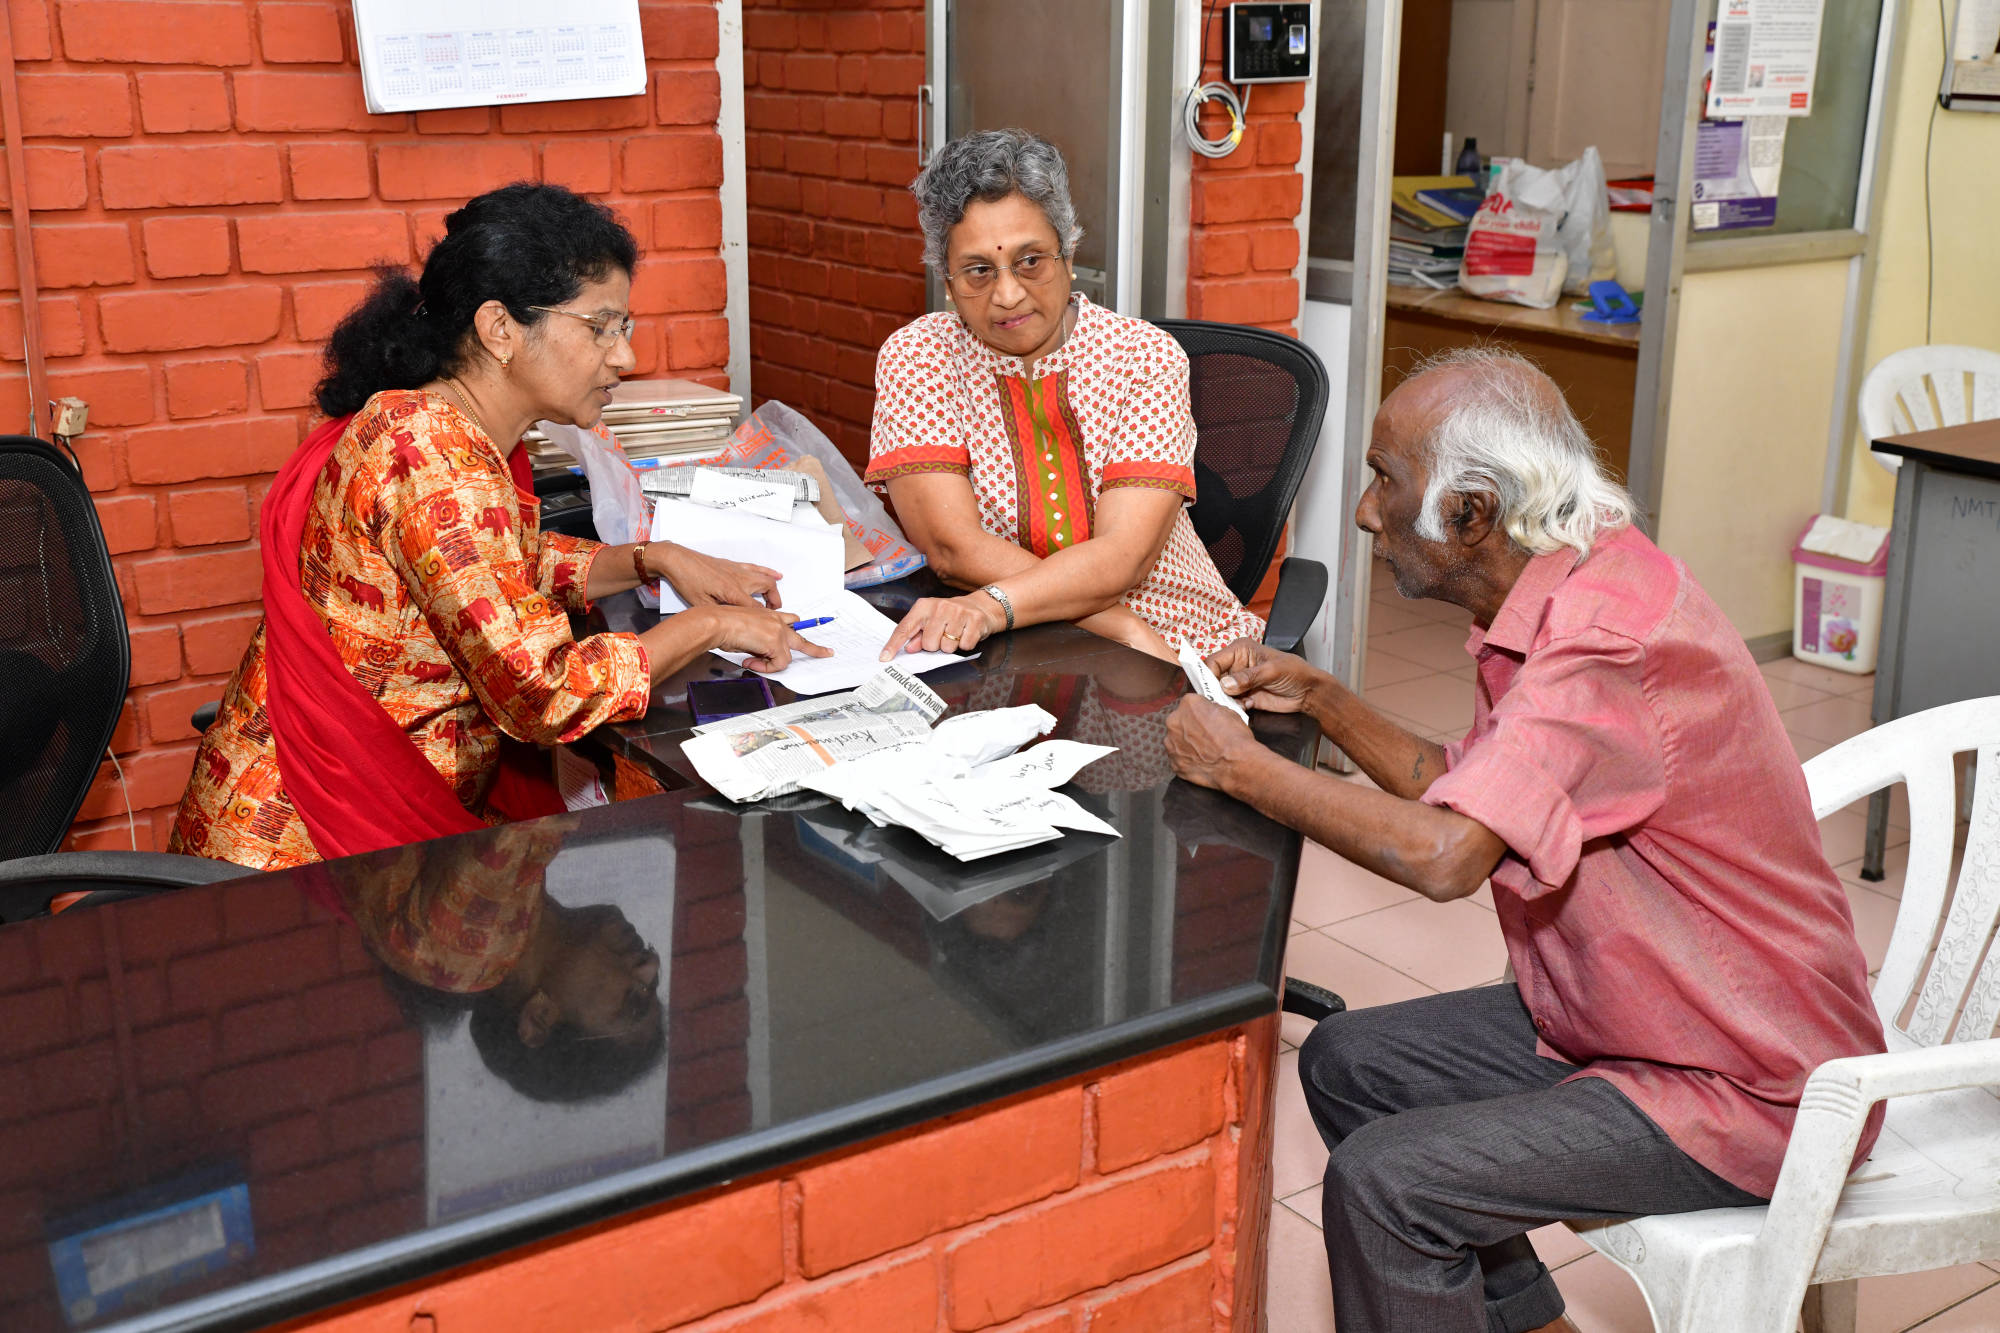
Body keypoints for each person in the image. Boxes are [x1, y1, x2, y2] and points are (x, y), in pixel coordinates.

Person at [1163, 348, 1886, 1333]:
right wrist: (1324, 700)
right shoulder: (1557, 582)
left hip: (1745, 1081)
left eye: (1384, 479)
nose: (1368, 512)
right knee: (1343, 1060)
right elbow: (1465, 790)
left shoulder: (1602, 643)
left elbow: (1444, 852)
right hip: (1633, 1013)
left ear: (1468, 512)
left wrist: (1246, 769)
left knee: (1387, 1186)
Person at [170, 183, 827, 872]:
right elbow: (543, 693)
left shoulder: (440, 424)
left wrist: (651, 558)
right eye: (600, 327)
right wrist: (710, 627)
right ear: (500, 329)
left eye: (623, 327)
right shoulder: (430, 454)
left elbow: (495, 567)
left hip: (351, 805)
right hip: (303, 854)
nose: (624, 357)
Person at [866, 129, 1262, 663]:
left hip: (1177, 638)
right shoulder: (921, 356)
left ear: (1069, 253)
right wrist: (1114, 623)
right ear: (947, 278)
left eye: (1031, 261)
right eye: (979, 271)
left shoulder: (1143, 358)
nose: (1008, 295)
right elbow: (951, 549)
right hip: (1016, 640)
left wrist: (1001, 605)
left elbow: (1124, 559)